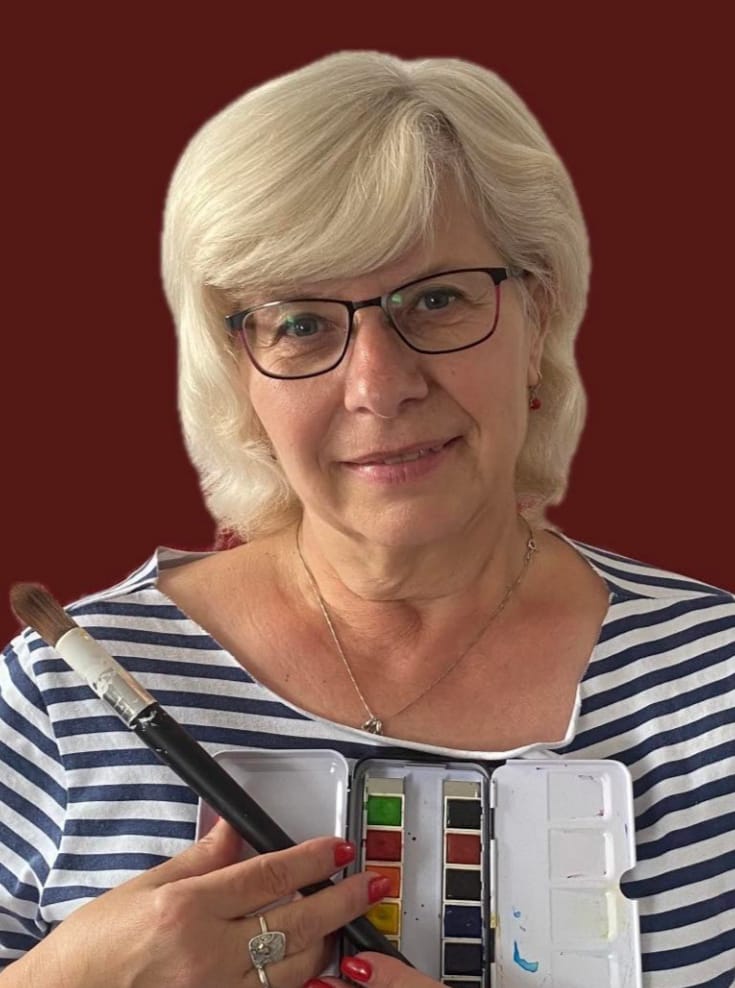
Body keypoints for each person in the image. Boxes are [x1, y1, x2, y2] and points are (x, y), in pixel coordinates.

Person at [1, 50, 733, 988]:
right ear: (236, 371)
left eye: (436, 299)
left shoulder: (714, 681)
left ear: (538, 319)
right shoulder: (60, 698)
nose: (380, 386)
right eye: (302, 322)